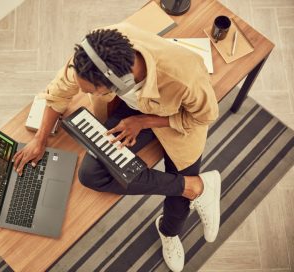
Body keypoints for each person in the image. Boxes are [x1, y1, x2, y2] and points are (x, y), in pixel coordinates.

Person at [12, 22, 221, 272]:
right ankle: (197, 186)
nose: (80, 92)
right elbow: (59, 94)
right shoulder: (91, 57)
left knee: (178, 206)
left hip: (177, 121)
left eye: (89, 91)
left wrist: (143, 121)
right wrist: (40, 139)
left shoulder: (184, 76)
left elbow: (203, 117)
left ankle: (169, 232)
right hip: (130, 111)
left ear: (119, 81)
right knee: (91, 174)